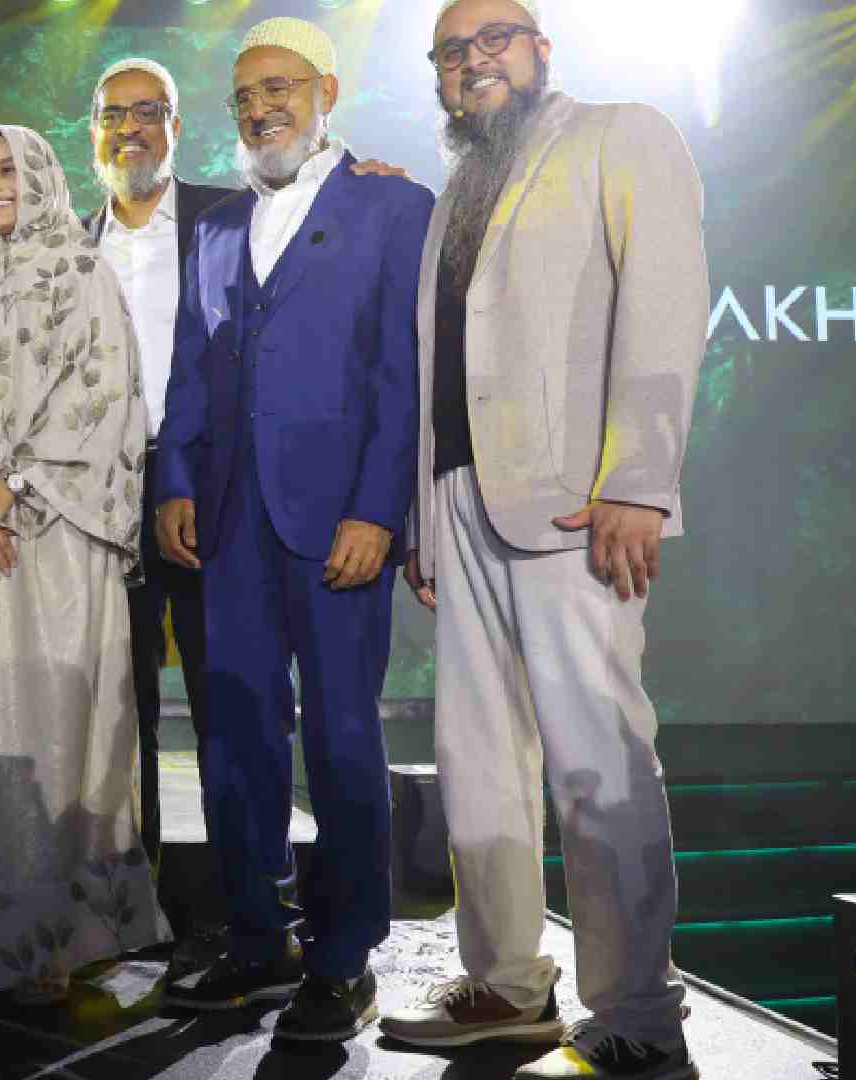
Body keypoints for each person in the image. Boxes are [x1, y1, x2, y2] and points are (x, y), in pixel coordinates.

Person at [378, 4, 707, 1077]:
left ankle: (638, 1013)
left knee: (598, 759)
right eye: (452, 51)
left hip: (577, 502)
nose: (474, 61)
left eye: (495, 38)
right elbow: (442, 363)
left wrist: (639, 482)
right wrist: (428, 514)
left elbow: (665, 305)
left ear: (540, 50)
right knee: (477, 762)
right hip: (461, 500)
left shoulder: (621, 133)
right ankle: (506, 987)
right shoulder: (456, 194)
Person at [154, 16, 433, 1043]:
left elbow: (403, 375)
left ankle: (345, 955)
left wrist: (378, 510)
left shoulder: (394, 207)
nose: (260, 109)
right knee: (234, 737)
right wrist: (175, 481)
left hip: (338, 523)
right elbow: (192, 366)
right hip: (228, 522)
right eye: (244, 96)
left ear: (326, 93)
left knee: (343, 736)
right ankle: (257, 936)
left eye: (279, 89)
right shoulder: (218, 226)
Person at [0, 124, 171, 1003]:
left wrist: (7, 491)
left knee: (51, 732)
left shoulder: (85, 275)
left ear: (43, 176)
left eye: (9, 170)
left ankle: (48, 938)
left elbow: (103, 401)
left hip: (55, 548)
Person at [79, 57, 231, 898]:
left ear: (176, 125)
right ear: (93, 131)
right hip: (99, 499)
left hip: (209, 490)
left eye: (148, 111)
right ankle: (129, 903)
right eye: (114, 114)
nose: (130, 128)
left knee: (224, 700)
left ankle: (238, 909)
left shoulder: (230, 218)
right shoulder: (69, 242)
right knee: (114, 710)